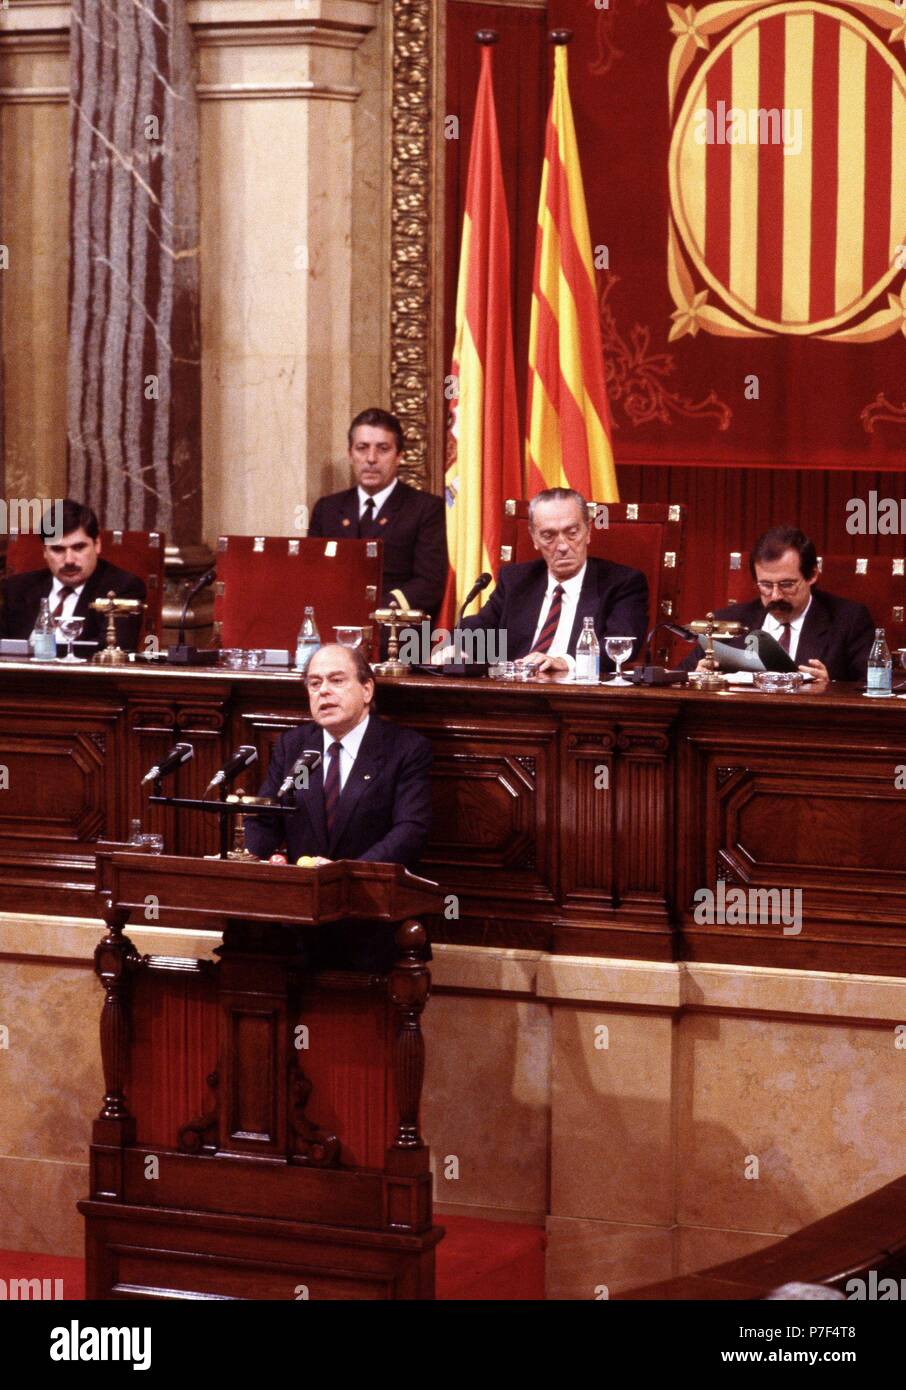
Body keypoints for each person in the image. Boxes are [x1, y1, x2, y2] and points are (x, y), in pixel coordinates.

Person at [245, 642, 433, 971]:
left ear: (367, 689)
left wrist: (344, 876)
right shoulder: (295, 748)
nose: (324, 692)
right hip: (299, 919)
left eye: (336, 680)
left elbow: (410, 831)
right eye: (315, 684)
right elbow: (266, 819)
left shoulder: (403, 749)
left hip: (371, 915)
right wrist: (250, 861)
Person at [449, 487, 648, 673]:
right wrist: (451, 648)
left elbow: (620, 646)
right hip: (513, 694)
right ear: (534, 538)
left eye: (572, 533)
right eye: (548, 535)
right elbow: (479, 629)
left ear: (588, 531)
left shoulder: (623, 583)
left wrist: (565, 662)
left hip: (580, 699)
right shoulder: (516, 580)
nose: (562, 546)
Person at [683, 525, 875, 682]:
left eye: (787, 584)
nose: (775, 596)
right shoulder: (727, 621)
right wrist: (696, 676)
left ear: (812, 575)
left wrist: (830, 687)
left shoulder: (849, 621)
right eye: (765, 585)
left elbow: (873, 690)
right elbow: (677, 679)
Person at [308, 407, 448, 620]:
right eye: (362, 448)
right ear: (350, 454)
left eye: (383, 449)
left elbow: (429, 583)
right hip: (332, 625)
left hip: (393, 630)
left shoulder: (425, 509)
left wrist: (371, 612)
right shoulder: (327, 509)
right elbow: (312, 574)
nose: (371, 458)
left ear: (399, 456)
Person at [0, 499, 146, 652]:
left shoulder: (124, 587)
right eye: (57, 549)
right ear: (44, 551)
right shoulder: (17, 588)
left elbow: (113, 650)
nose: (69, 560)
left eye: (78, 547)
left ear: (97, 545)